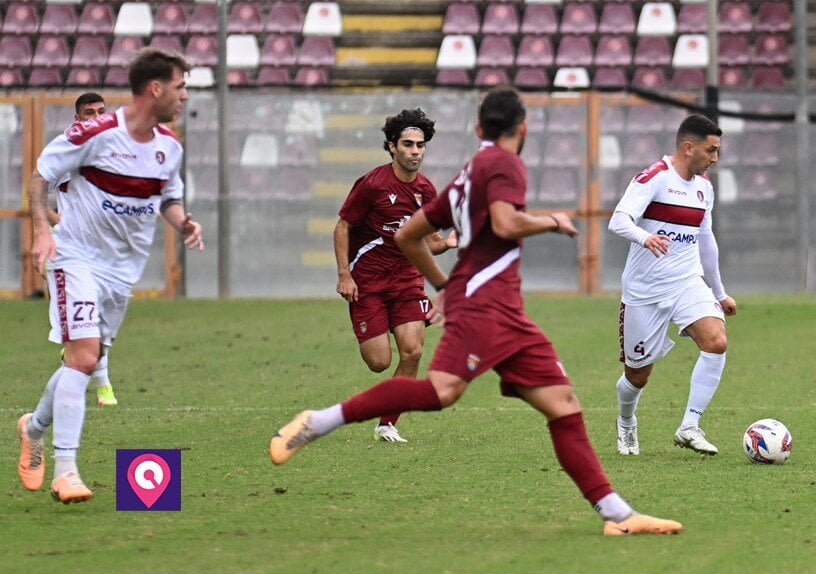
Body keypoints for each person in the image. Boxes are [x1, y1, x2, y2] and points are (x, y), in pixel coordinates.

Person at [270, 88, 682, 536]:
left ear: (478, 129)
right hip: (486, 305)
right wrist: (552, 221)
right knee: (442, 392)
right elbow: (505, 223)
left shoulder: (470, 173)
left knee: (563, 403)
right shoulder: (503, 164)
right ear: (522, 128)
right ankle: (320, 421)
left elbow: (409, 236)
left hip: (501, 308)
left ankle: (617, 516)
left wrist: (447, 285)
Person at [18, 48, 203, 504]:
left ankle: (33, 427)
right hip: (76, 258)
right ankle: (67, 471)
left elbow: (167, 198)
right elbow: (40, 176)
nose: (185, 95)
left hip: (122, 274)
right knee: (83, 359)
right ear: (156, 88)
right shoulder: (96, 133)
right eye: (180, 86)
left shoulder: (170, 146)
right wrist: (43, 230)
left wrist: (182, 222)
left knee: (79, 361)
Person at [608, 114, 737, 457]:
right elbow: (618, 220)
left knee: (716, 341)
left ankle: (690, 426)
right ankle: (626, 420)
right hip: (644, 291)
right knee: (637, 376)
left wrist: (719, 292)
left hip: (686, 282)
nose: (715, 158)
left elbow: (705, 240)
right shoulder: (654, 178)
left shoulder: (704, 188)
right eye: (711, 150)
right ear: (688, 146)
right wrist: (645, 237)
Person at [335, 108, 455, 443]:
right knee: (378, 362)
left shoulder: (427, 192)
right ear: (392, 147)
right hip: (368, 284)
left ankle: (387, 423)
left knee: (413, 352)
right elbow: (343, 226)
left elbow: (429, 244)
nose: (415, 151)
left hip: (406, 282)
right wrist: (345, 275)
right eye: (408, 144)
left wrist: (447, 242)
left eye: (420, 145)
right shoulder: (372, 184)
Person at [46, 92, 119, 407]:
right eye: (89, 112)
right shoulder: (64, 149)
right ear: (78, 119)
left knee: (100, 325)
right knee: (86, 335)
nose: (97, 116)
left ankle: (38, 422)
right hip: (68, 252)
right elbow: (35, 192)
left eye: (101, 111)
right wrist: (54, 224)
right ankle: (103, 390)